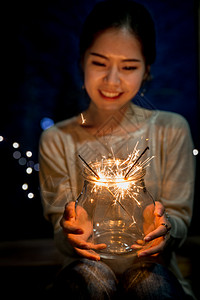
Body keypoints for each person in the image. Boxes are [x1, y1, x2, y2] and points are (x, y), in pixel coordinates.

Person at [39, 0, 196, 299]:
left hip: (157, 275)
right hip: (83, 275)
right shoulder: (57, 139)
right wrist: (72, 233)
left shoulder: (171, 130)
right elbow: (61, 235)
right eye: (99, 63)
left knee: (150, 284)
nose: (112, 80)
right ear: (81, 61)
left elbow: (179, 221)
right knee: (90, 281)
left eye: (128, 67)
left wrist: (165, 228)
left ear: (147, 70)